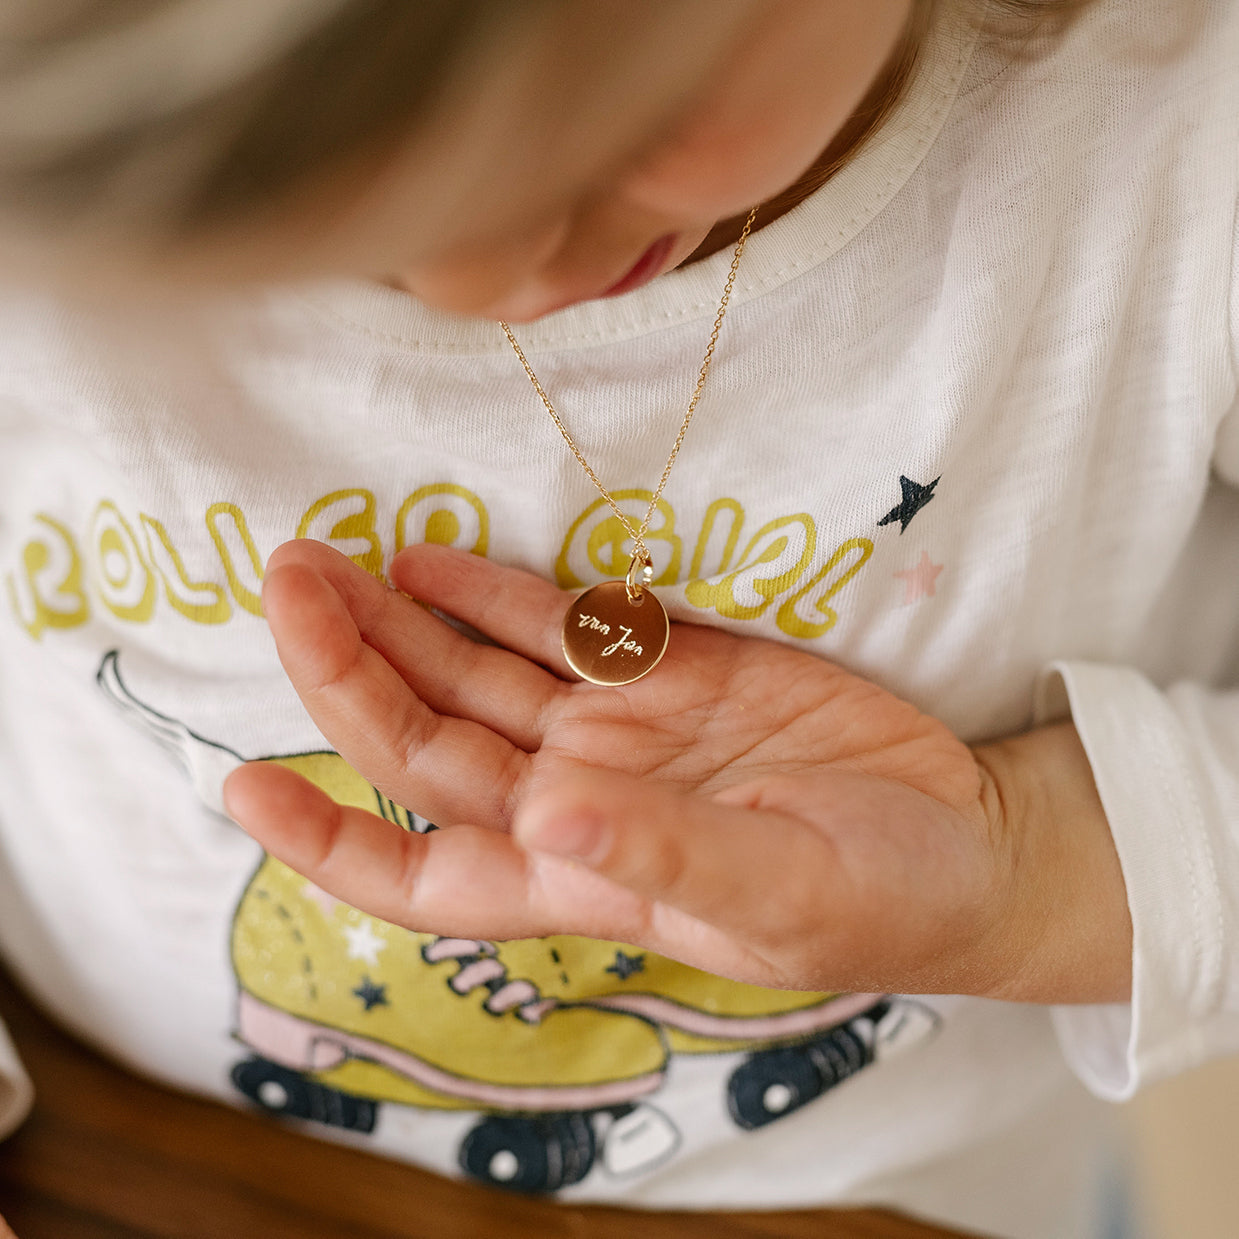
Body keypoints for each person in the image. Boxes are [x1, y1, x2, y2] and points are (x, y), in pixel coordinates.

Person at [0, 0, 1235, 1235]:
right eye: (292, 202)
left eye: (609, 128)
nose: (483, 281)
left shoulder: (1181, 127)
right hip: (118, 1150)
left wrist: (1029, 873)